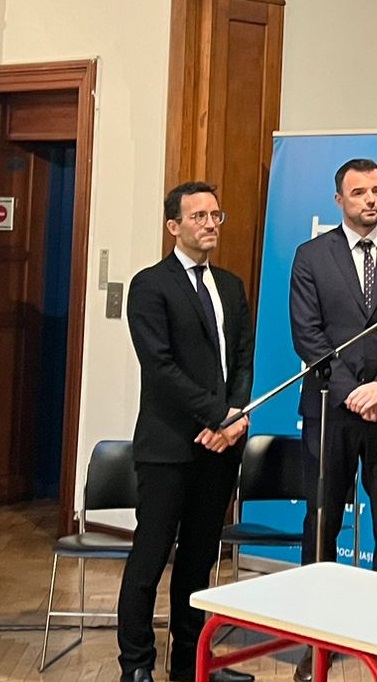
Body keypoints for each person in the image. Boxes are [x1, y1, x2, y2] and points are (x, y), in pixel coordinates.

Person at [288, 158, 377, 682]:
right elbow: (308, 333)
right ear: (339, 201)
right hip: (331, 409)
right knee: (322, 522)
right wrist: (353, 392)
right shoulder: (311, 255)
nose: (370, 200)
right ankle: (316, 642)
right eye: (359, 193)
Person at [118, 182, 255, 682]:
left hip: (220, 449)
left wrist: (235, 416)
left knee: (198, 563)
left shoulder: (231, 286)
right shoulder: (150, 285)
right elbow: (161, 369)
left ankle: (191, 665)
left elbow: (242, 360)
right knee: (150, 558)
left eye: (216, 215)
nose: (210, 224)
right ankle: (136, 666)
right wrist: (219, 416)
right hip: (168, 446)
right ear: (173, 226)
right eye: (199, 216)